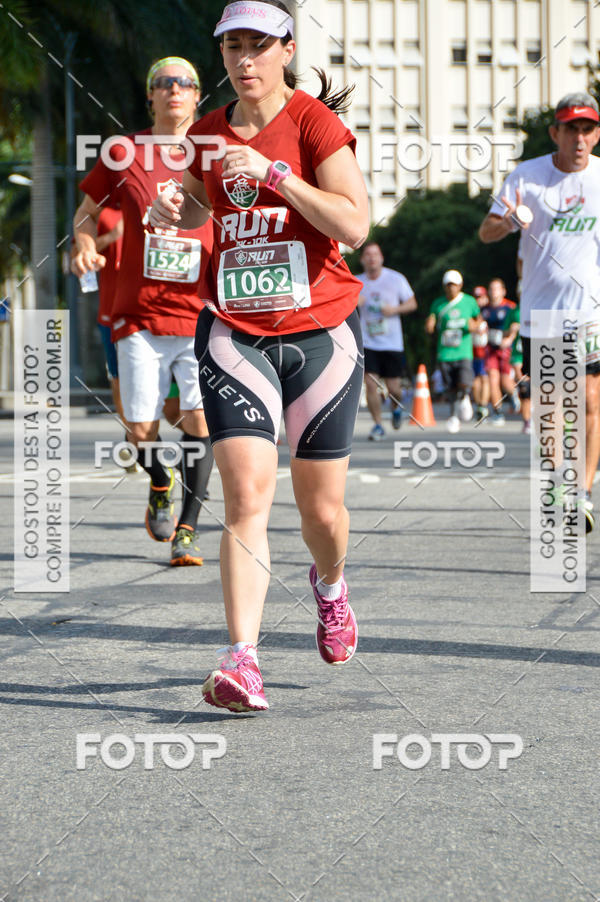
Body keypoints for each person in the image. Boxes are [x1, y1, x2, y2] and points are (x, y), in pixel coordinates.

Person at [150, 0, 369, 713]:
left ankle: (330, 587)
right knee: (246, 498)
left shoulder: (314, 124)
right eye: (232, 46)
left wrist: (277, 175)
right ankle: (241, 658)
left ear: (285, 48)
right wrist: (172, 213)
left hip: (319, 336)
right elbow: (195, 208)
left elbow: (355, 222)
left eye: (258, 45)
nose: (244, 59)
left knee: (322, 515)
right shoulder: (209, 134)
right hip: (233, 331)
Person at [72, 57, 215, 563]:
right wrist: (84, 243)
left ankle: (188, 530)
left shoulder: (216, 151)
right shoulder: (122, 151)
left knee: (198, 422)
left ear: (197, 95)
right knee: (140, 430)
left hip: (200, 314)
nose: (173, 89)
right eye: (162, 83)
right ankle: (160, 480)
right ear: (150, 97)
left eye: (184, 83)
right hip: (138, 314)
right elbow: (86, 213)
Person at [479, 91, 600, 532]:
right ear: (556, 133)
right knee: (550, 408)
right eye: (571, 129)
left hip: (590, 311)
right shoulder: (527, 177)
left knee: (589, 400)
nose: (580, 138)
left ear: (597, 133)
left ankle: (582, 495)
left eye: (588, 129)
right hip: (541, 313)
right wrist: (509, 221)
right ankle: (559, 484)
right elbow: (486, 232)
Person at [357, 242, 416, 439]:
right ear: (362, 259)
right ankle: (378, 425)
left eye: (375, 254)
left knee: (394, 389)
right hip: (368, 342)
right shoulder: (357, 282)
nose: (372, 258)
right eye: (368, 254)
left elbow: (412, 303)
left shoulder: (395, 279)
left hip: (392, 343)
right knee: (371, 384)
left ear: (381, 258)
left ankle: (396, 409)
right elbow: (338, 306)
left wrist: (395, 310)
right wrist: (353, 303)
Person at [424, 270, 480, 433]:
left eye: (454, 285)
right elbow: (432, 321)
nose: (451, 289)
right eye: (448, 286)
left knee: (464, 381)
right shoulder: (438, 303)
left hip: (463, 352)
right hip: (445, 352)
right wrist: (429, 325)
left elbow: (478, 320)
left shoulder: (469, 302)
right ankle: (454, 416)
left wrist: (474, 326)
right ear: (444, 287)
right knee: (450, 387)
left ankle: (465, 397)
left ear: (460, 286)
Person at [481, 278, 517, 426]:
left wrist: (509, 339)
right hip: (491, 348)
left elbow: (516, 325)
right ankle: (498, 412)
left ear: (503, 291)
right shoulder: (485, 309)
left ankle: (515, 394)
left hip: (506, 348)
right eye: (491, 289)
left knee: (505, 380)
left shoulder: (510, 307)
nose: (493, 292)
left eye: (497, 289)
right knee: (492, 379)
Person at [471, 285, 490, 421]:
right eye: (476, 297)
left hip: (487, 351)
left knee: (484, 378)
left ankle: (483, 406)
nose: (479, 300)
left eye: (481, 297)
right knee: (476, 379)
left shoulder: (490, 311)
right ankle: (479, 406)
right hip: (473, 351)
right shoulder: (471, 312)